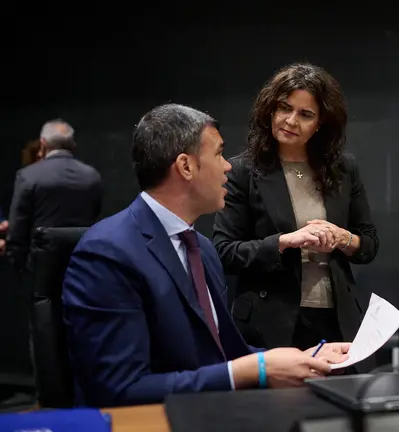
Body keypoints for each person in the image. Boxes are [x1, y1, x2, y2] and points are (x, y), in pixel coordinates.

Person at [63, 104, 350, 408]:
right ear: (186, 166)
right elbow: (118, 388)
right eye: (219, 154)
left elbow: (221, 355)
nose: (228, 167)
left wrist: (303, 359)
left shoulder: (201, 248)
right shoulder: (107, 253)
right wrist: (253, 370)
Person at [213, 63, 378, 370]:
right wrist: (284, 241)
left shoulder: (343, 169)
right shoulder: (242, 171)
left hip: (337, 318)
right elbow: (224, 252)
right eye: (284, 108)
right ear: (270, 110)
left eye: (305, 114)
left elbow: (368, 244)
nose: (290, 121)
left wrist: (343, 238)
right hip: (269, 319)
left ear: (320, 124)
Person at [6, 120, 102, 274]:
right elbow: (94, 216)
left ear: (43, 143)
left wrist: (21, 268)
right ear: (73, 145)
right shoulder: (92, 176)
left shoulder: (28, 176)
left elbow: (17, 229)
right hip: (81, 266)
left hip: (40, 268)